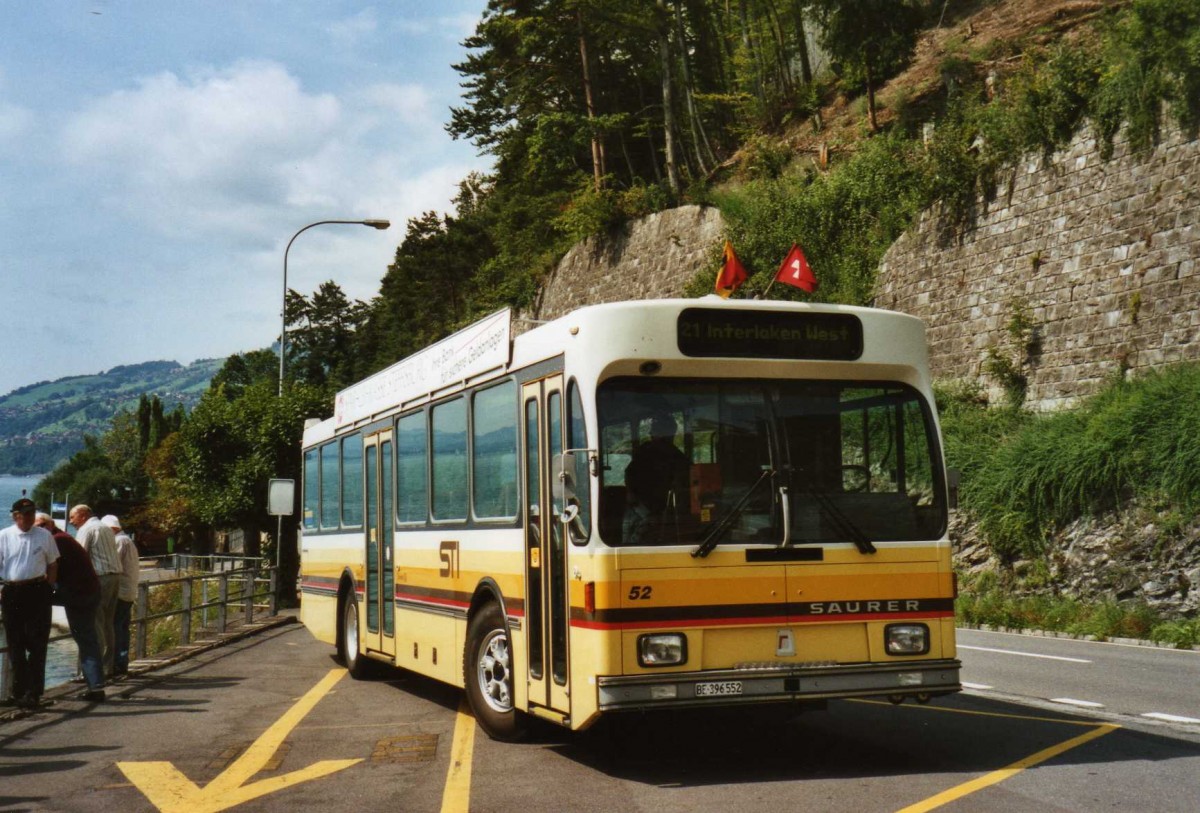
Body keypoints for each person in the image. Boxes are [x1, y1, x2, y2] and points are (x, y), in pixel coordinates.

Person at [35, 513, 105, 702]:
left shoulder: (57, 541)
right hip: (86, 592)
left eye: (42, 525)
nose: (39, 529)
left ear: (50, 525)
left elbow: (49, 568)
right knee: (87, 637)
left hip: (79, 595)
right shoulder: (62, 538)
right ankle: (96, 684)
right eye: (37, 526)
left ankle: (96, 686)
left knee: (85, 638)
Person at [0, 498, 60, 709]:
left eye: (32, 513)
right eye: (25, 514)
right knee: (15, 644)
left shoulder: (44, 536)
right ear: (15, 515)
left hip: (36, 590)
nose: (29, 517)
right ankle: (18, 692)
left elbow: (53, 564)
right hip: (12, 590)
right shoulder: (4, 536)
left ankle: (33, 692)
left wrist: (49, 587)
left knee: (37, 644)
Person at [69, 504, 121, 678]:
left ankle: (94, 672)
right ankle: (107, 668)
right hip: (114, 577)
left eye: (72, 517)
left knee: (95, 623)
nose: (71, 522)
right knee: (107, 623)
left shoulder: (87, 529)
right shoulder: (105, 527)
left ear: (82, 515)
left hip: (100, 578)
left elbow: (78, 557)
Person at [623, 413, 691, 544]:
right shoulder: (646, 450)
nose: (650, 432)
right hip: (640, 507)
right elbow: (629, 473)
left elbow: (686, 481)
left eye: (655, 429)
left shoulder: (677, 457)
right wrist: (632, 495)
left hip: (661, 511)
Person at [103, 514, 138, 676]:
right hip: (129, 590)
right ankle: (122, 662)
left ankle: (115, 663)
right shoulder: (127, 540)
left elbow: (113, 563)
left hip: (120, 591)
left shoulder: (118, 541)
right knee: (123, 628)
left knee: (115, 627)